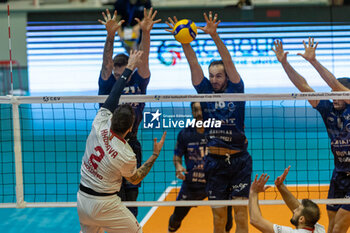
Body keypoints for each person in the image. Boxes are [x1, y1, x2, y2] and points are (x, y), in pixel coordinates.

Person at [166, 12, 252, 233]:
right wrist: (184, 41)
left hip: (239, 161)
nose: (214, 79)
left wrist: (214, 36)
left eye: (218, 76)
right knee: (219, 218)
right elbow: (193, 63)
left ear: (226, 77)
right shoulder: (204, 91)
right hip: (214, 163)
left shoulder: (236, 89)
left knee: (241, 215)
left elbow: (229, 61)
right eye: (211, 75)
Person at [77, 47, 167, 232]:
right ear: (129, 129)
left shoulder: (99, 123)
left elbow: (113, 95)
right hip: (104, 204)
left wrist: (129, 68)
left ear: (112, 117)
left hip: (83, 200)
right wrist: (155, 154)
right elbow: (135, 178)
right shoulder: (126, 154)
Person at [273, 37, 350, 233]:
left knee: (341, 225)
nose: (334, 96)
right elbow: (304, 87)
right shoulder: (328, 108)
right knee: (331, 226)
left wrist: (313, 61)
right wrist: (285, 63)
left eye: (338, 93)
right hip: (339, 173)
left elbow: (334, 83)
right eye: (331, 92)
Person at [98, 7, 160, 217]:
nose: (118, 72)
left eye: (122, 68)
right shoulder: (107, 83)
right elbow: (106, 63)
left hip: (131, 142)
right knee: (108, 196)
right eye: (116, 69)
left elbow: (144, 59)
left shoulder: (139, 79)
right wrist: (110, 35)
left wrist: (146, 32)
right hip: (107, 142)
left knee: (131, 198)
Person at [168, 102, 233, 233]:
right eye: (195, 110)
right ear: (192, 112)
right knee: (175, 220)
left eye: (201, 110)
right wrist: (178, 166)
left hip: (216, 184)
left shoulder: (218, 132)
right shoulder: (185, 134)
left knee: (227, 222)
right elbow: (177, 156)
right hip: (193, 185)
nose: (198, 113)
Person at [249, 166, 326, 233]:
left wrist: (254, 192)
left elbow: (256, 221)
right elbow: (304, 211)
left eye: (297, 210)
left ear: (301, 219)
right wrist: (280, 186)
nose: (294, 210)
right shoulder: (319, 229)